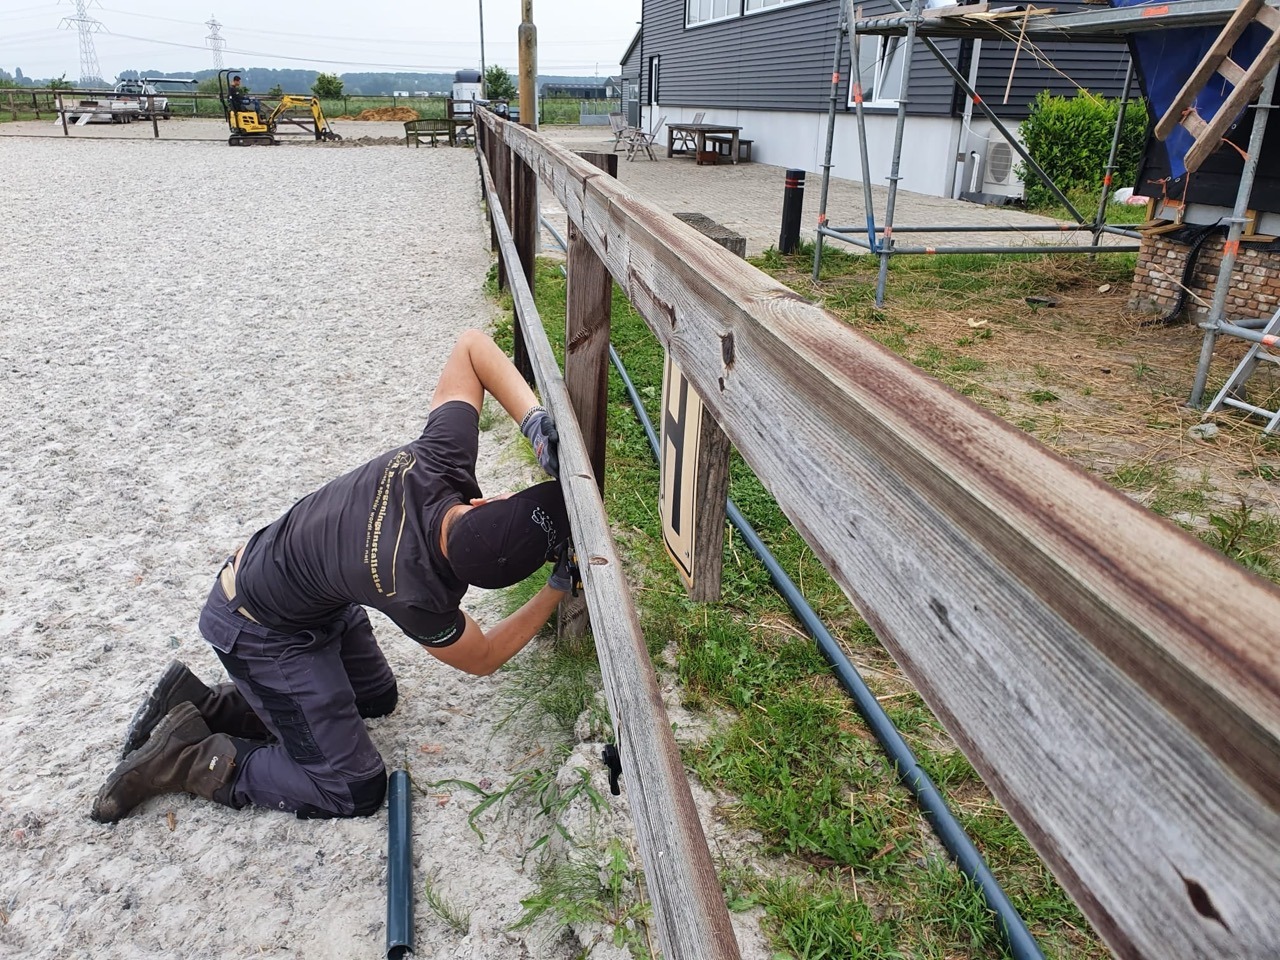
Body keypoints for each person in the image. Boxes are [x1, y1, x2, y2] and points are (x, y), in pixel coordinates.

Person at [92, 329, 576, 823]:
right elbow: (484, 656)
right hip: (254, 628)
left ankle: (200, 704)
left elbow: (472, 347)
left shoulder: (440, 457)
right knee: (352, 789)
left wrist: (533, 423)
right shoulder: (415, 594)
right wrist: (556, 587)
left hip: (300, 590)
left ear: (483, 502)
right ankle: (187, 757)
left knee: (375, 699)